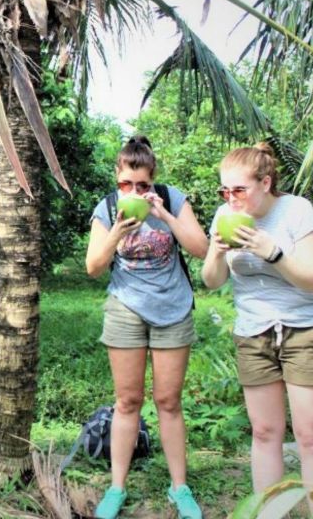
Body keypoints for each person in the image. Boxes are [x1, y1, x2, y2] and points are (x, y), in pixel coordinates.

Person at [201, 143, 313, 507]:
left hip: (305, 330)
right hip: (254, 333)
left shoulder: (296, 211)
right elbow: (212, 281)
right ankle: (270, 513)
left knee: (310, 436)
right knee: (264, 432)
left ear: (265, 182)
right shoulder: (223, 215)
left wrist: (272, 252)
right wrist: (215, 251)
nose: (230, 198)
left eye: (238, 190)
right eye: (224, 191)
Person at [85, 136, 208, 519]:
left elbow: (202, 249)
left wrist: (165, 215)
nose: (134, 191)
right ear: (117, 179)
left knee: (169, 401)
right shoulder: (107, 208)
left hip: (173, 307)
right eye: (127, 184)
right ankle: (116, 488)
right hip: (126, 309)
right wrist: (118, 232)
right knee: (128, 402)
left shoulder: (173, 199)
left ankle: (179, 487)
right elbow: (93, 267)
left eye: (142, 185)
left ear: (153, 181)